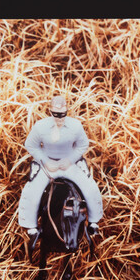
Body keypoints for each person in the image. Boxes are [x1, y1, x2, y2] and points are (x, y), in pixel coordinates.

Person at [17, 95, 103, 236]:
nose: (59, 118)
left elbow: (83, 144)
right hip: (47, 165)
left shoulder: (75, 126)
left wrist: (70, 160)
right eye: (56, 114)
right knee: (32, 192)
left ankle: (93, 222)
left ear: (67, 112)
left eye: (63, 114)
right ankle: (31, 226)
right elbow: (31, 144)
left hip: (69, 165)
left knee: (89, 188)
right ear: (50, 112)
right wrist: (45, 161)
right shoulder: (40, 126)